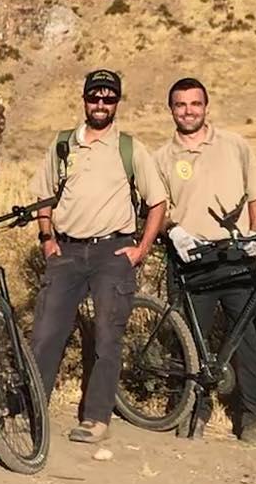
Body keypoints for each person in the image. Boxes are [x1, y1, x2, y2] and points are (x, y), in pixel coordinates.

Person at [30, 68, 167, 444]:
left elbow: (157, 201)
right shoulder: (63, 144)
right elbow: (44, 196)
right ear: (85, 99)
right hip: (67, 249)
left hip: (112, 250)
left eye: (109, 99)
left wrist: (140, 248)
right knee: (46, 333)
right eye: (95, 97)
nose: (101, 105)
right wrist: (46, 237)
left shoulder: (129, 147)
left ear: (117, 103)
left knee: (108, 335)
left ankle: (96, 417)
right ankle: (32, 406)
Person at [155, 77, 256, 447]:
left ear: (206, 107)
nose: (188, 111)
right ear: (171, 111)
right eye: (180, 105)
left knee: (250, 338)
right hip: (189, 260)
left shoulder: (234, 145)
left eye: (195, 104)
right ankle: (191, 413)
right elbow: (156, 208)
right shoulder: (160, 159)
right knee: (189, 341)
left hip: (236, 256)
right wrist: (174, 231)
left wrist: (254, 237)